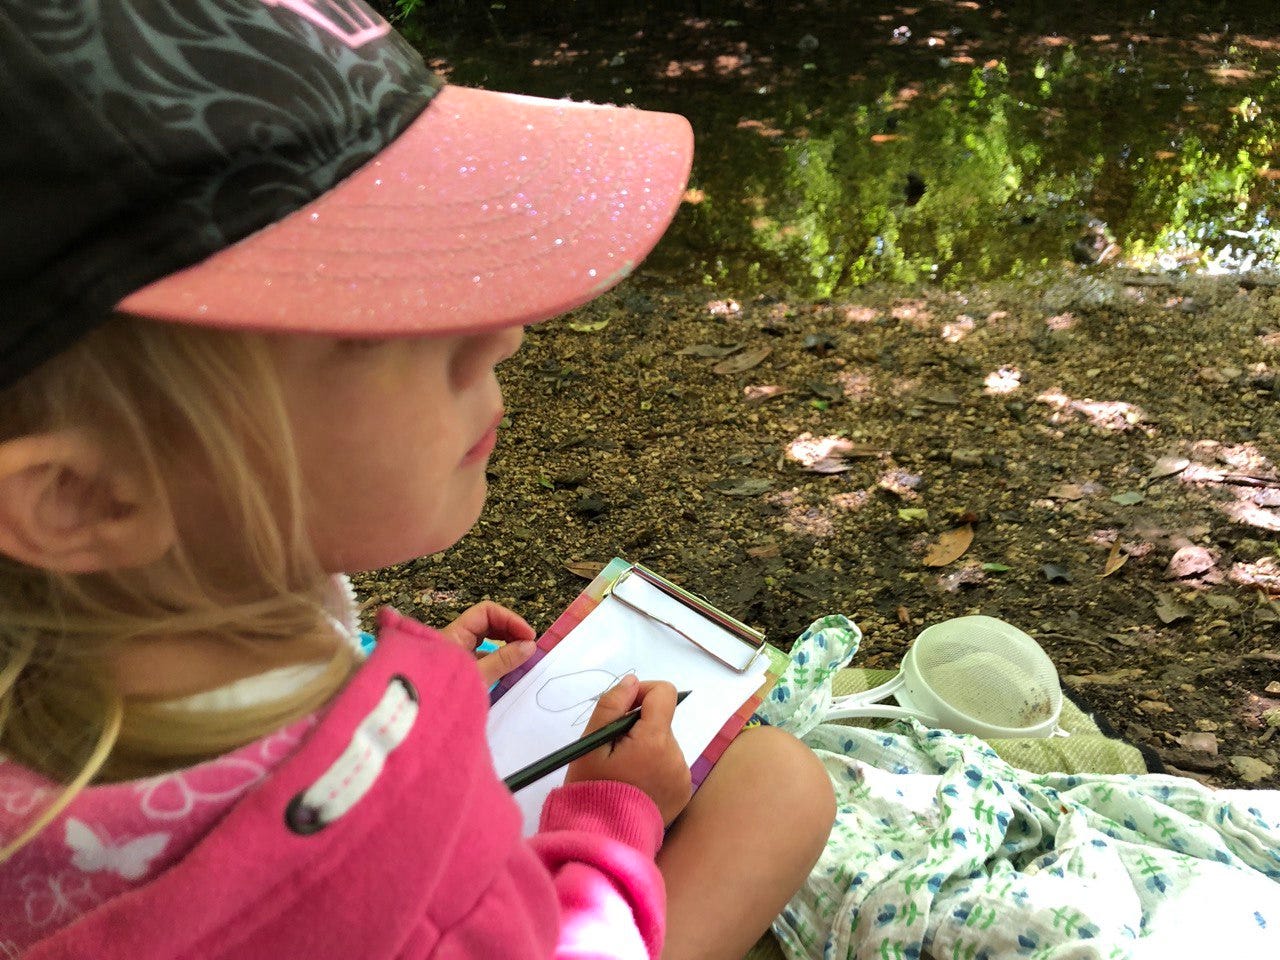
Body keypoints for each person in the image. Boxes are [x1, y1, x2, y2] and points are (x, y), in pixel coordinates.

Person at [0, 2, 835, 958]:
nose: (502, 334)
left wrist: (377, 690)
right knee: (781, 787)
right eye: (367, 316)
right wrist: (609, 820)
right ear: (80, 499)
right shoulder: (394, 847)